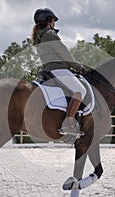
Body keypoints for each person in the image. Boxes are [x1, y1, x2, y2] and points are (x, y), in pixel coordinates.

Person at [32, 8, 87, 136]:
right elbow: (65, 55)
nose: (54, 23)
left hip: (48, 71)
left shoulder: (39, 37)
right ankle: (68, 124)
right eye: (53, 21)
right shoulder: (50, 34)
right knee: (80, 91)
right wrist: (81, 68)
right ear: (48, 21)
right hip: (58, 69)